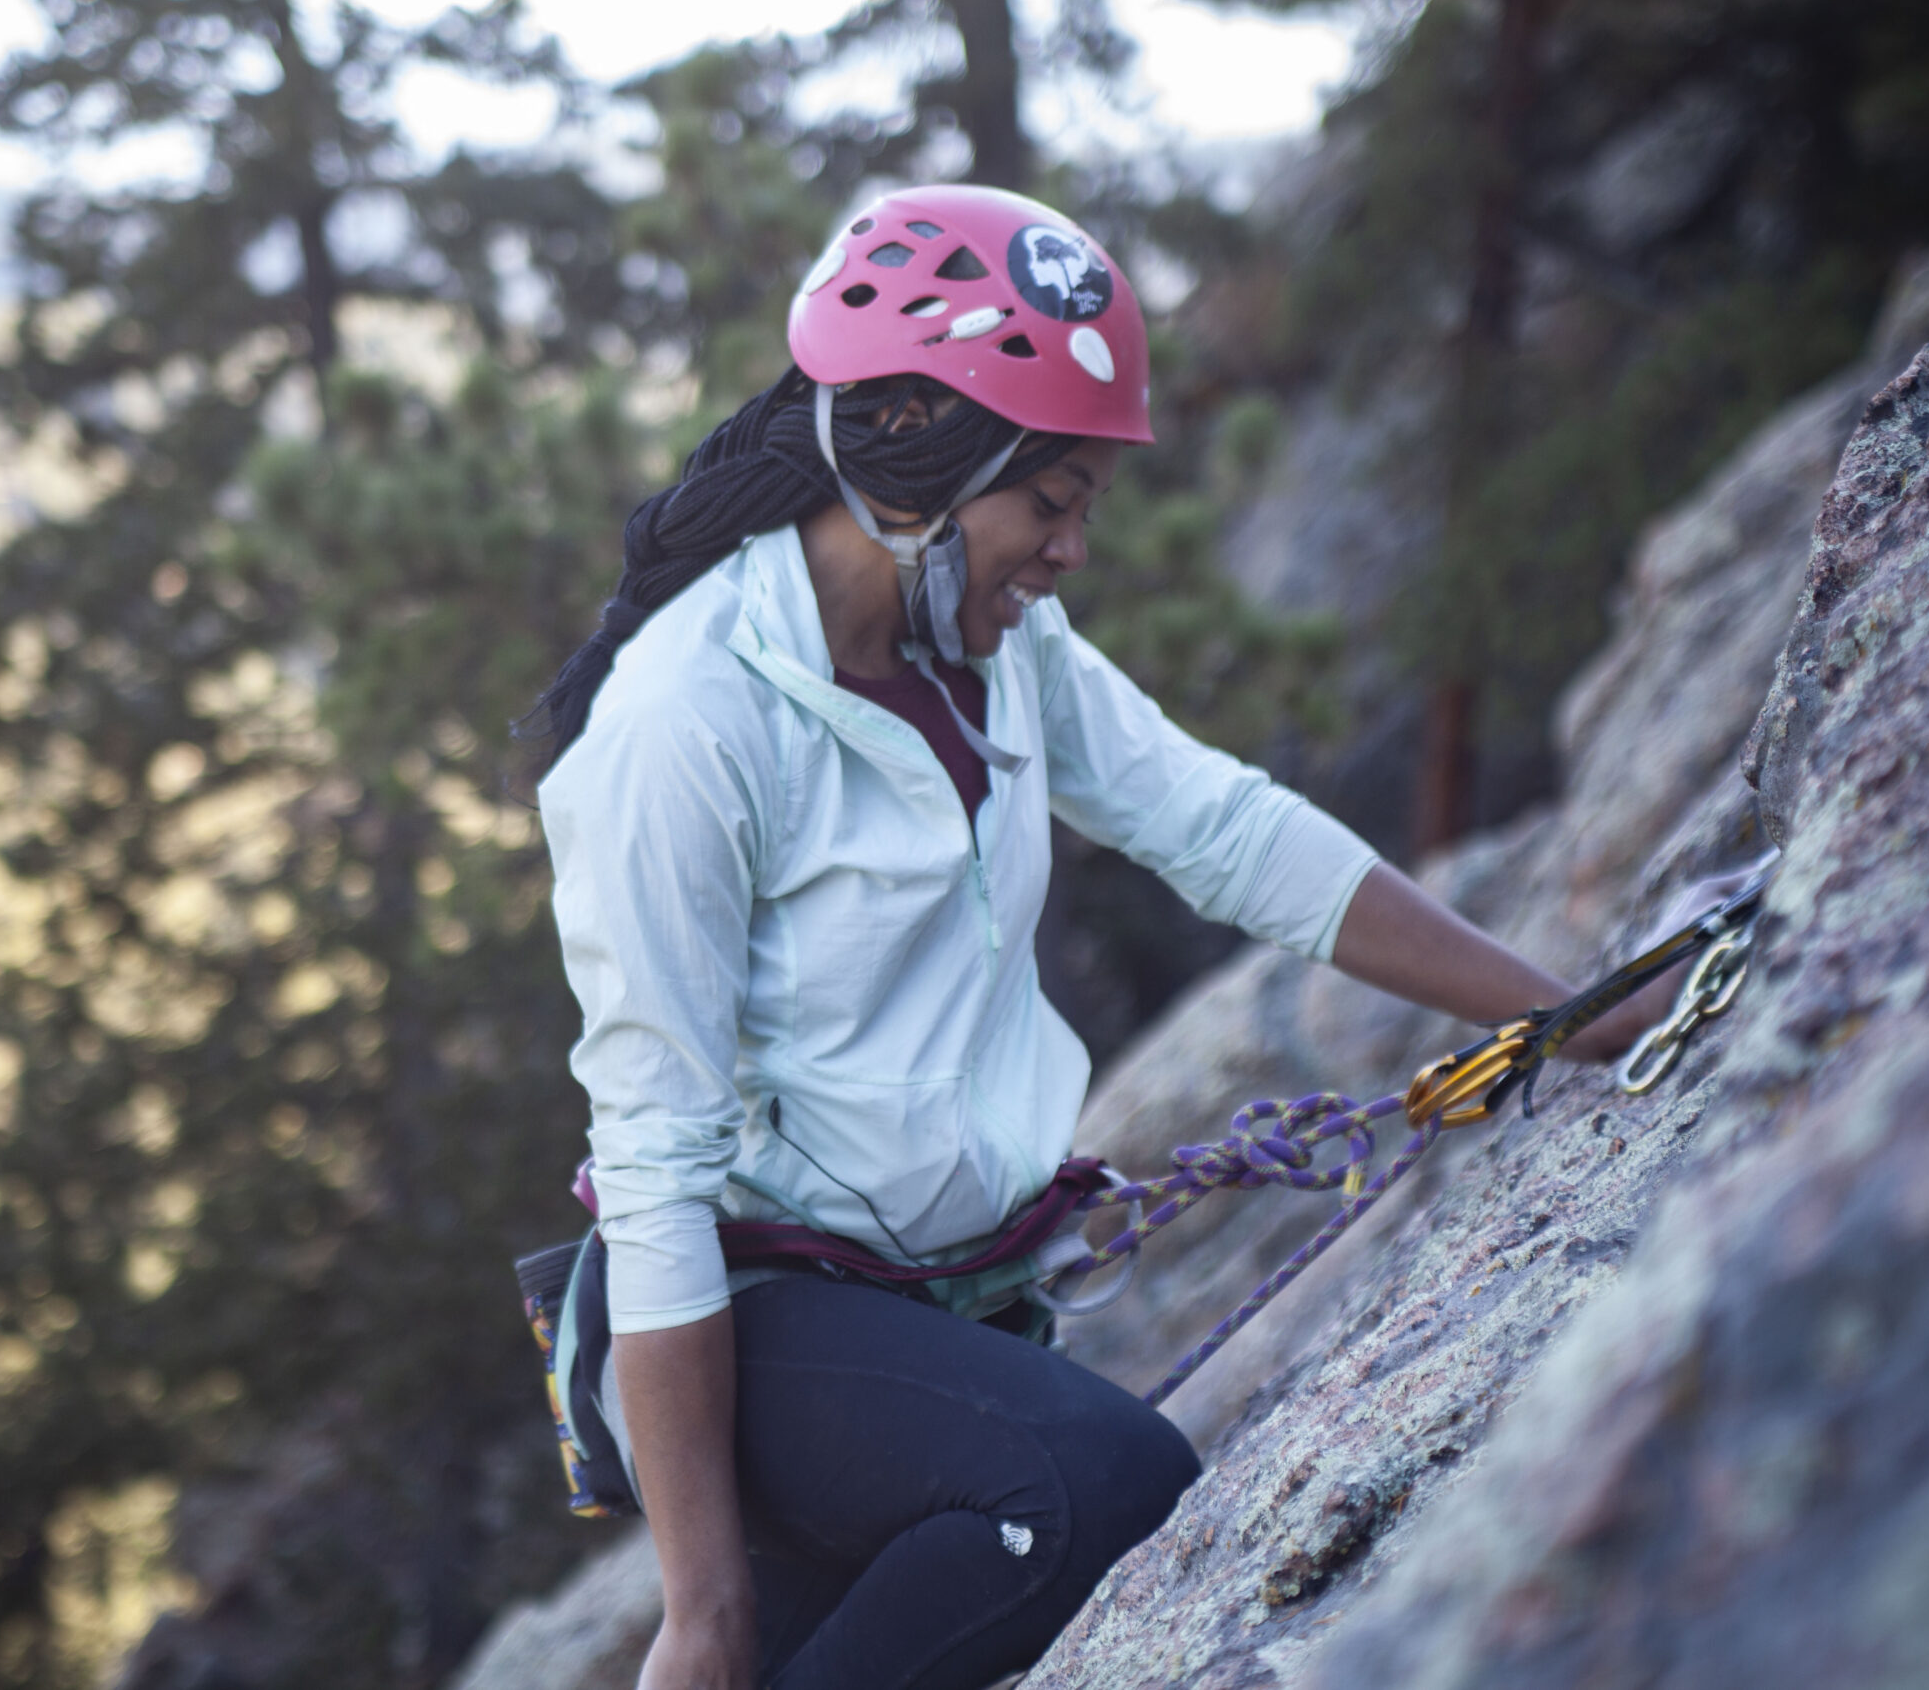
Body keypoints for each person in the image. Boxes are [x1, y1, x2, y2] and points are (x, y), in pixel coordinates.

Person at [522, 186, 1685, 1690]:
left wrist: (1569, 1008)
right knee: (1090, 1488)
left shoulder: (994, 653)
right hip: (750, 1324)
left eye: (1086, 507)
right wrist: (704, 1605)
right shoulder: (689, 724)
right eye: (1049, 502)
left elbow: (1224, 827)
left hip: (924, 1316)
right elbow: (656, 1168)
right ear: (906, 462)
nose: (1072, 552)